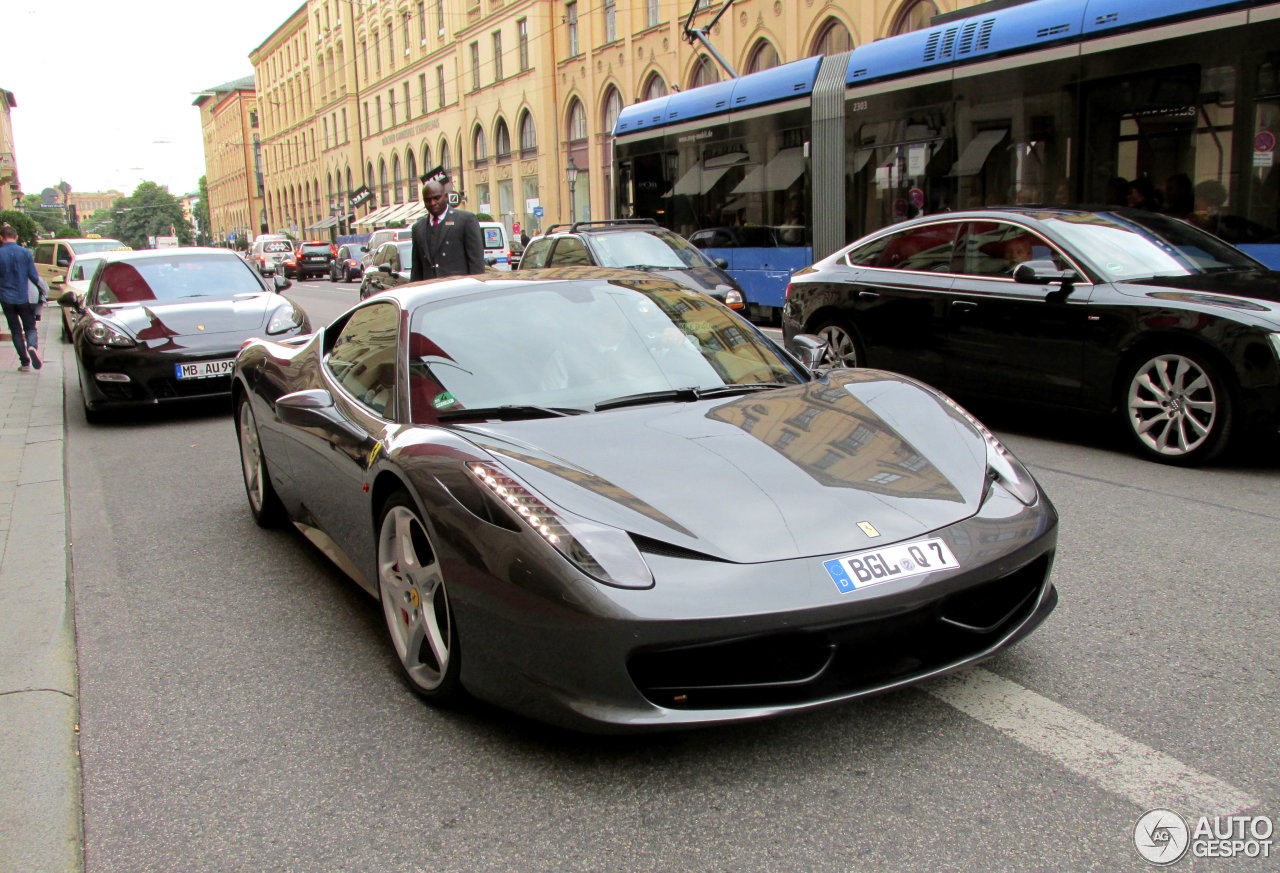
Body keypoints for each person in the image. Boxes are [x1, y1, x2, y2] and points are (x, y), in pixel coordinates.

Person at [409, 180, 485, 280]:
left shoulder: (465, 220)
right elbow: (416, 269)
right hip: (429, 291)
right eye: (428, 200)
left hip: (457, 290)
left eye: (436, 198)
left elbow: (476, 263)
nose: (432, 203)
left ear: (445, 196)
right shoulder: (418, 228)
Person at [0, 223, 45, 371]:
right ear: (16, 237)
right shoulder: (25, 253)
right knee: (30, 327)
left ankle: (24, 362)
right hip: (24, 297)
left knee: (15, 330)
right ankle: (32, 346)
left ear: (1, 238)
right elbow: (33, 276)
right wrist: (42, 290)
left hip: (6, 298)